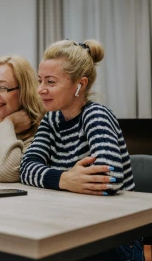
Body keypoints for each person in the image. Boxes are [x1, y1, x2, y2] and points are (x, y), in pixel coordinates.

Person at [19, 40, 141, 260]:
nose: (40, 90)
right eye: (40, 80)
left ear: (80, 84)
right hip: (71, 227)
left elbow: (109, 178)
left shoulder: (96, 115)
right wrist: (65, 179)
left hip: (114, 237)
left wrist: (54, 178)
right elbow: (26, 168)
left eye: (51, 82)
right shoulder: (52, 119)